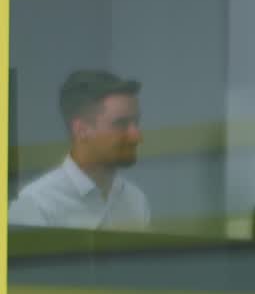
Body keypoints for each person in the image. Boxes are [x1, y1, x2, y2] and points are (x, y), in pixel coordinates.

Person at [9, 69, 150, 230]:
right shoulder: (36, 205)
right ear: (81, 130)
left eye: (136, 123)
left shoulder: (136, 200)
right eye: (121, 124)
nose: (136, 136)